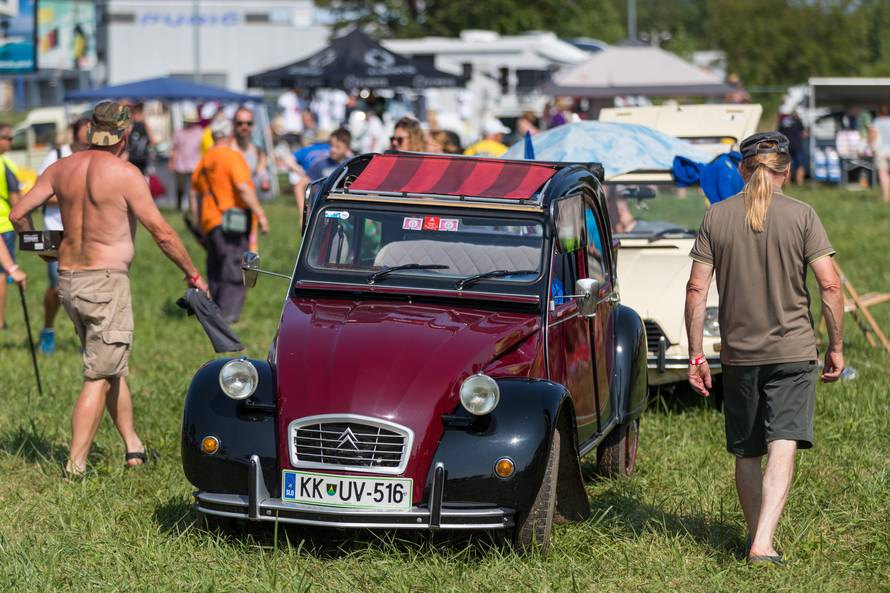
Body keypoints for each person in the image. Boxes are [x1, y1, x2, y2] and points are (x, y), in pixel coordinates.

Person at [9, 100, 209, 477]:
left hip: (69, 280)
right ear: (124, 133)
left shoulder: (61, 168)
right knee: (98, 376)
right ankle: (75, 466)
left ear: (90, 132)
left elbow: (18, 214)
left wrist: (44, 249)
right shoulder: (126, 174)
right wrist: (193, 273)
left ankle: (133, 446)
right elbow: (162, 233)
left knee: (111, 366)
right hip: (105, 283)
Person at [684, 131, 844, 565]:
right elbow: (830, 283)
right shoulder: (803, 215)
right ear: (786, 173)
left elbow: (697, 289)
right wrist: (836, 346)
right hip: (794, 350)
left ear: (741, 169)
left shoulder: (715, 217)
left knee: (747, 449)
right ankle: (762, 543)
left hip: (739, 354)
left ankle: (757, 537)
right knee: (784, 440)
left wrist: (696, 355)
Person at [192, 118, 269, 324]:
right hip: (231, 223)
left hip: (209, 223)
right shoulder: (232, 157)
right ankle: (229, 317)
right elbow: (243, 187)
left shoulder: (204, 161)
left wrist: (199, 223)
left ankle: (215, 313)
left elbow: (196, 195)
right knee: (235, 269)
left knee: (216, 269)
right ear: (229, 135)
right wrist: (260, 214)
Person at [35, 117, 91, 354]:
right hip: (54, 231)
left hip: (85, 232)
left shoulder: (94, 159)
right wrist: (74, 196)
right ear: (75, 132)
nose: (91, 134)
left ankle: (87, 338)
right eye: (87, 130)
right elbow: (41, 194)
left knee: (87, 286)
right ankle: (48, 329)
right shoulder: (57, 155)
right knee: (57, 286)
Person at [0, 122, 22, 330]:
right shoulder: (5, 165)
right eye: (7, 137)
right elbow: (16, 201)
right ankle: (0, 320)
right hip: (4, 225)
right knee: (3, 273)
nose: (11, 142)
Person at [169, 106, 204, 211]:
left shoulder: (200, 132)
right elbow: (174, 149)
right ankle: (179, 205)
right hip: (181, 163)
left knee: (193, 187)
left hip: (195, 163)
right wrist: (172, 162)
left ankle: (191, 207)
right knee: (180, 186)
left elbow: (203, 148)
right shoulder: (179, 132)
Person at [231, 107, 271, 198]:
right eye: (240, 123)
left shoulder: (257, 150)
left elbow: (261, 171)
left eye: (248, 123)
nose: (244, 127)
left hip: (250, 202)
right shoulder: (226, 149)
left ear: (253, 125)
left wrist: (264, 180)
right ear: (233, 124)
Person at [777, 110, 807, 185]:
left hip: (786, 146)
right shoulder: (797, 120)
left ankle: (787, 184)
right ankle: (800, 184)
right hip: (797, 146)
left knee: (787, 165)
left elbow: (778, 134)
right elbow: (804, 134)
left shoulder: (783, 121)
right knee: (800, 165)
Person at [869, 105, 890, 203]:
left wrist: (870, 146)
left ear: (879, 113)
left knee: (883, 174)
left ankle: (886, 197)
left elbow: (873, 136)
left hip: (881, 150)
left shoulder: (877, 122)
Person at [126, 103, 154, 175]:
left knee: (142, 176)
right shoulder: (131, 125)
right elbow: (126, 137)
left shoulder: (145, 126)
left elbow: (153, 141)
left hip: (143, 158)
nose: (136, 116)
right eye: (134, 114)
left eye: (138, 114)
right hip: (132, 157)